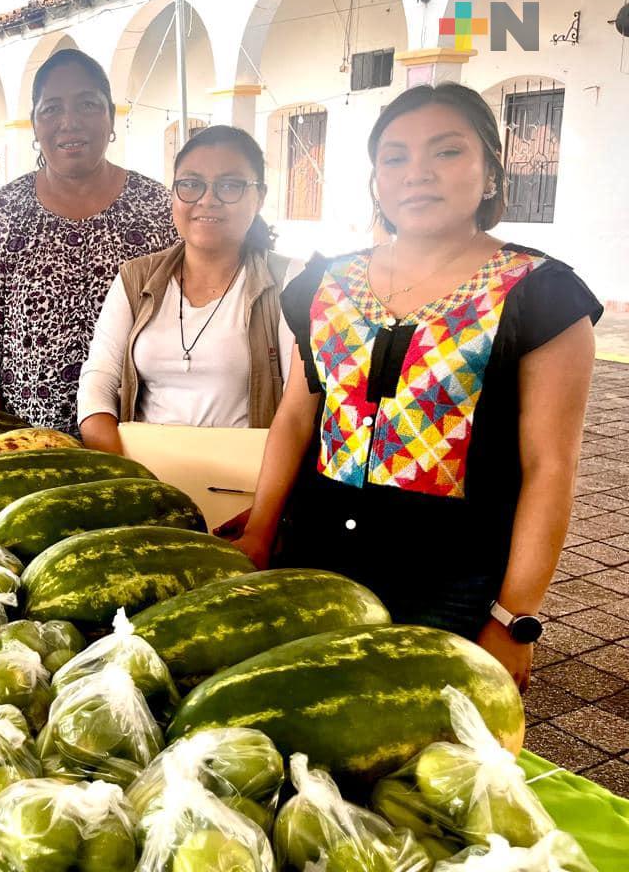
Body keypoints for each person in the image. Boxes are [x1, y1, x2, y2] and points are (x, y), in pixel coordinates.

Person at [230, 83, 601, 690]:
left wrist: (514, 619)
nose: (417, 173)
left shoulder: (540, 293)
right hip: (311, 566)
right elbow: (298, 417)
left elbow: (550, 466)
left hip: (450, 589)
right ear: (376, 180)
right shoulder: (324, 282)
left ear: (489, 174)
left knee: (420, 762)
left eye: (447, 152)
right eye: (395, 157)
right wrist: (260, 533)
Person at [0, 49, 177, 433]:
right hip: (34, 447)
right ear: (34, 124)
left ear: (110, 115)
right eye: (51, 109)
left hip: (141, 436)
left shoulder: (158, 209)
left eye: (87, 104)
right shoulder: (3, 214)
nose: (70, 123)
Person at [77, 126, 300, 454]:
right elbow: (99, 381)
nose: (208, 200)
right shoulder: (136, 279)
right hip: (146, 476)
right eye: (191, 184)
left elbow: (296, 415)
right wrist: (124, 475)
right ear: (174, 193)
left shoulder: (288, 281)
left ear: (260, 197)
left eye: (230, 185)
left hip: (244, 482)